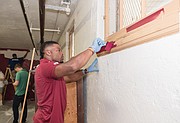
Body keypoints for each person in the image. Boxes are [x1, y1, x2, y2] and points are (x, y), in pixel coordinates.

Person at [33, 38, 106, 123]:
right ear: (48, 52)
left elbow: (68, 78)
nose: (61, 53)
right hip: (46, 119)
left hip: (54, 116)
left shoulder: (53, 69)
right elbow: (72, 66)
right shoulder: (45, 67)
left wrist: (86, 71)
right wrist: (91, 49)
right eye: (58, 50)